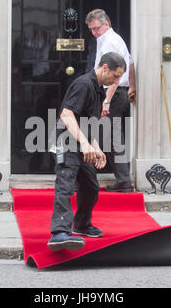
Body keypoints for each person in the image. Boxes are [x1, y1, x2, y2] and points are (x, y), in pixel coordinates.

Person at [47, 52, 127, 251]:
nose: (116, 81)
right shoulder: (83, 85)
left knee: (91, 186)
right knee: (66, 183)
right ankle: (59, 233)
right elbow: (66, 114)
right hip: (65, 141)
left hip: (80, 142)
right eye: (116, 76)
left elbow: (88, 123)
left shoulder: (99, 90)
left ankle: (81, 225)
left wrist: (96, 148)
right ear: (104, 67)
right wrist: (85, 144)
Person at [85, 9, 136, 193]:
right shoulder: (112, 39)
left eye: (96, 28)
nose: (93, 33)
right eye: (91, 29)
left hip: (111, 94)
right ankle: (122, 181)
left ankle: (87, 182)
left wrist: (106, 100)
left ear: (106, 23)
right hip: (118, 93)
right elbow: (129, 62)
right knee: (112, 138)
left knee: (94, 135)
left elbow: (114, 74)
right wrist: (132, 87)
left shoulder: (110, 41)